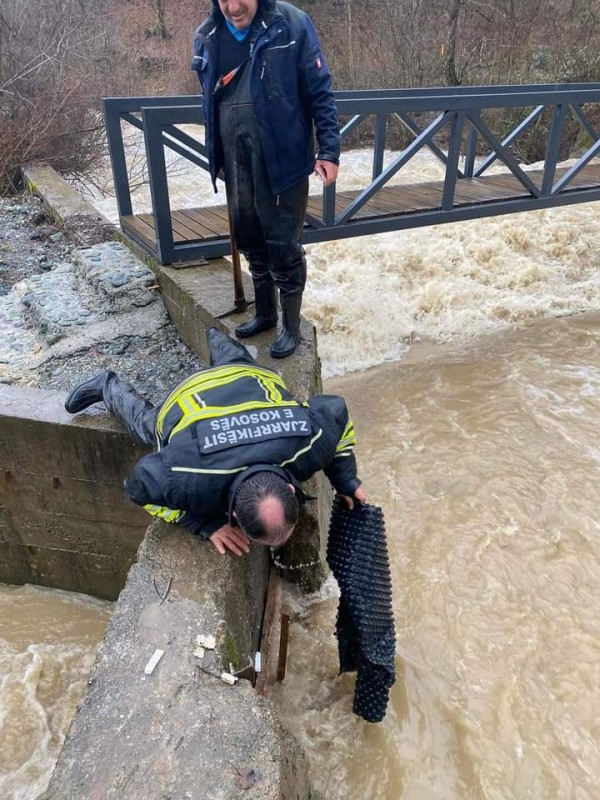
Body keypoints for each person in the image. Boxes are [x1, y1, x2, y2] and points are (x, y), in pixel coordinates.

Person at [64, 328, 366, 556]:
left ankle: (215, 334)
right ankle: (106, 385)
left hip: (246, 376)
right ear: (232, 515)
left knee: (236, 362)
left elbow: (337, 412)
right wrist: (202, 524)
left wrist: (346, 480)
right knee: (145, 425)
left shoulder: (309, 445)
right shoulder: (187, 478)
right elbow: (137, 487)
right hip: (189, 395)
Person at [191, 0, 340, 359]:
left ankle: (290, 327)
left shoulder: (291, 25)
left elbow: (319, 88)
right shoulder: (206, 36)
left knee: (283, 243)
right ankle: (265, 313)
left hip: (283, 157)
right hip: (235, 156)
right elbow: (208, 99)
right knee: (249, 234)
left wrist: (329, 150)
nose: (232, 6)